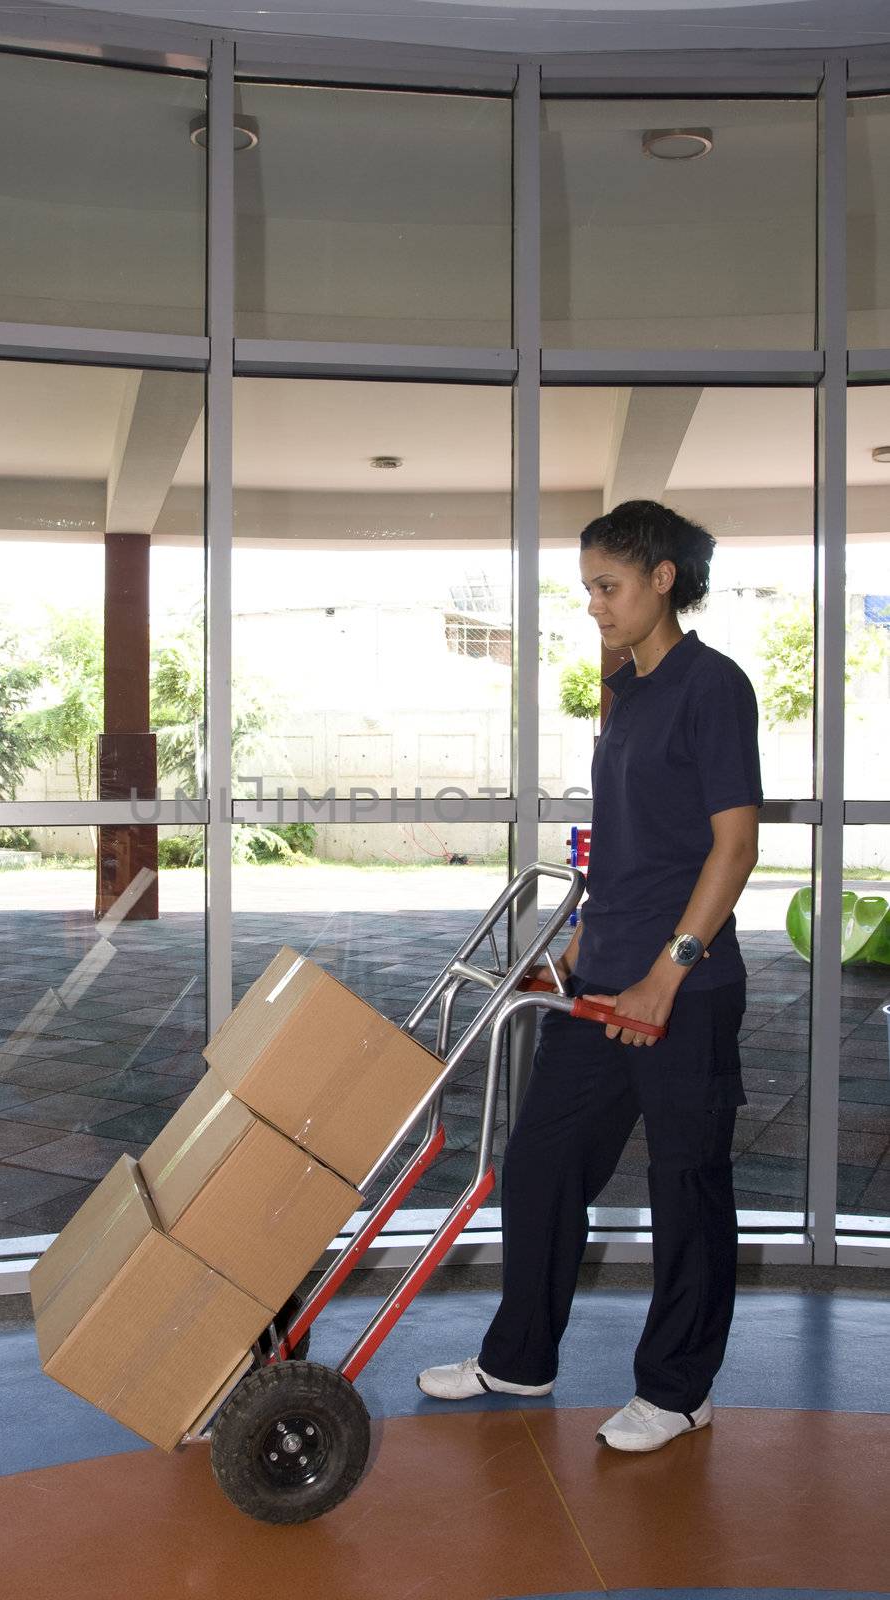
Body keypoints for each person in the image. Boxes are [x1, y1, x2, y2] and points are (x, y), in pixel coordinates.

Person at [419, 499, 762, 1453]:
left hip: (681, 993)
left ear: (662, 578)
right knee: (539, 1164)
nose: (595, 608)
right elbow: (621, 851)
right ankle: (519, 1359)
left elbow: (733, 850)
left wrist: (668, 974)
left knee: (687, 1189)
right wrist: (566, 954)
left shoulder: (711, 686)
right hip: (600, 982)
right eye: (587, 591)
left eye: (607, 588)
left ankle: (678, 1389)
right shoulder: (627, 694)